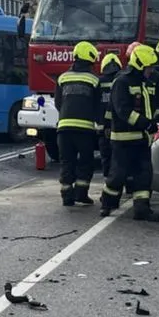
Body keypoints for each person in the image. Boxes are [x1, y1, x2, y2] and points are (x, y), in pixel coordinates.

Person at [100, 44, 159, 221]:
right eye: (149, 67)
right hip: (123, 139)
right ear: (139, 65)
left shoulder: (146, 83)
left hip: (142, 140)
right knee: (117, 175)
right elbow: (123, 111)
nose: (151, 71)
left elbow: (152, 110)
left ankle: (142, 209)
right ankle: (107, 204)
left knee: (144, 175)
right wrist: (147, 124)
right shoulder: (122, 82)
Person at [55, 41, 102, 206]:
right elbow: (98, 106)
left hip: (63, 129)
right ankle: (81, 194)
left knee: (67, 161)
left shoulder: (62, 78)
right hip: (84, 130)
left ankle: (66, 196)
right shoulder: (94, 80)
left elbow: (58, 103)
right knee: (85, 161)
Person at [97, 52, 123, 178]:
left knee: (106, 157)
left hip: (103, 128)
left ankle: (108, 181)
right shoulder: (123, 80)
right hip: (121, 128)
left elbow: (93, 103)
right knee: (121, 158)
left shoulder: (98, 82)